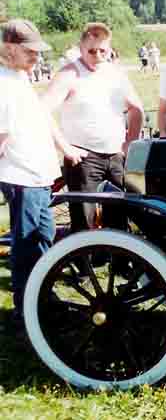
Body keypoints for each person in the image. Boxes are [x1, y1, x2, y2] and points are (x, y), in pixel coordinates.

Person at [0, 20, 84, 326]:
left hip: (39, 175)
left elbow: (42, 117)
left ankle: (43, 296)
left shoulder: (19, 77)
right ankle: (27, 310)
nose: (37, 57)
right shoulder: (4, 85)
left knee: (44, 236)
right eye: (30, 51)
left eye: (38, 51)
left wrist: (66, 147)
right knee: (26, 243)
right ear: (9, 48)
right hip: (23, 178)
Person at [42, 22, 144, 233]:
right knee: (84, 221)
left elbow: (137, 109)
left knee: (119, 217)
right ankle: (84, 262)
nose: (97, 55)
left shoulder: (116, 74)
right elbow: (42, 111)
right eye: (91, 50)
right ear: (80, 48)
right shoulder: (69, 74)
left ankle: (120, 264)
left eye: (103, 50)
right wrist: (65, 148)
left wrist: (129, 143)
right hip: (83, 158)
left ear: (110, 49)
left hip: (116, 155)